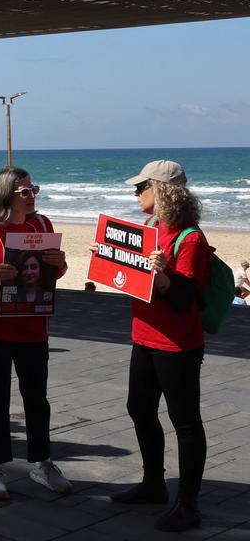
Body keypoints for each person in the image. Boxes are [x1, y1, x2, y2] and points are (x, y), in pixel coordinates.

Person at [104, 161, 210, 532]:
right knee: (139, 408)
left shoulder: (190, 238)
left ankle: (188, 504)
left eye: (141, 187)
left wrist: (164, 277)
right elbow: (132, 277)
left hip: (177, 344)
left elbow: (186, 299)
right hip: (144, 335)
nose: (135, 193)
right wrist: (109, 257)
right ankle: (154, 484)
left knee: (185, 422)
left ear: (162, 190)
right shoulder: (149, 229)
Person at [0, 166, 71, 500]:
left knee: (37, 399)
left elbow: (56, 272)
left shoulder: (42, 225)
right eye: (25, 191)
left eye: (34, 189)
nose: (32, 196)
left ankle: (42, 463)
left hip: (33, 324)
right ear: (6, 194)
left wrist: (59, 263)